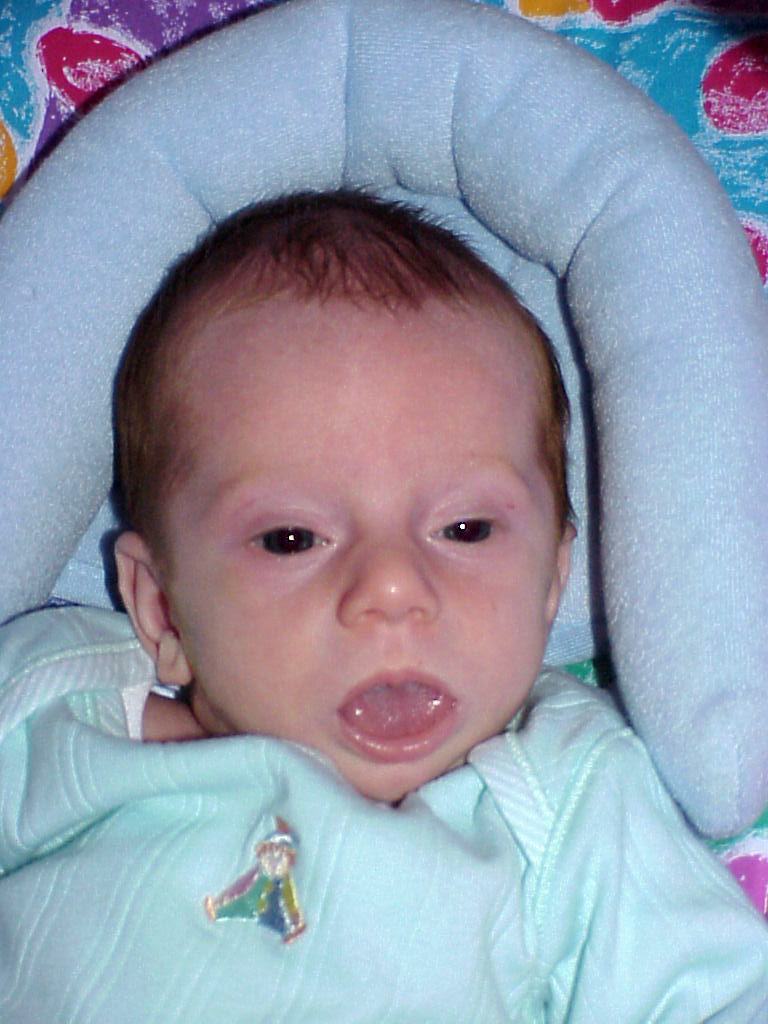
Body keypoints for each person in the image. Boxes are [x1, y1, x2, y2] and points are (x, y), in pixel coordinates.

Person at [1, 190, 767, 1022]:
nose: (393, 589)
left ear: (552, 579)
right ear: (161, 608)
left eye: (465, 529)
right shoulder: (49, 710)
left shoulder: (567, 797)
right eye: (292, 538)